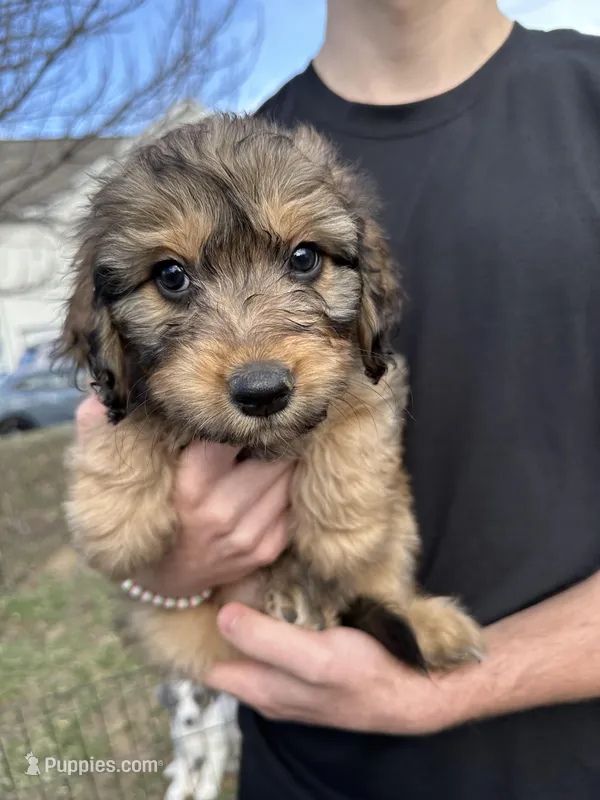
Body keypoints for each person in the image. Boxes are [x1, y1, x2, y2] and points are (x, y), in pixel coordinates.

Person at [76, 1, 600, 797]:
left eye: (301, 259)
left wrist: (445, 694)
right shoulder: (238, 138)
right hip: (299, 769)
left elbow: (370, 384)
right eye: (174, 279)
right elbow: (128, 523)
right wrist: (173, 573)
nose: (253, 355)